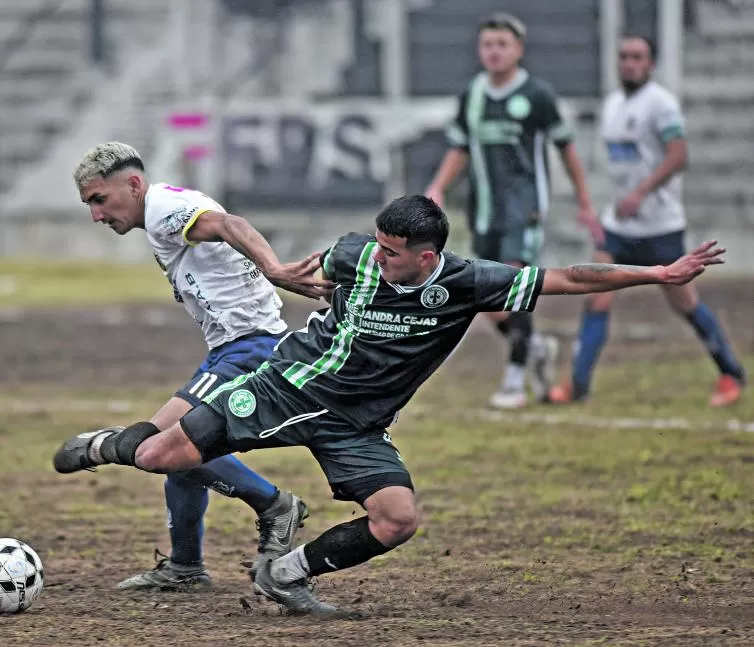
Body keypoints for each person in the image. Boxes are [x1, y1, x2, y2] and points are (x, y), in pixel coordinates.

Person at [53, 194, 725, 614]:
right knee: (157, 452)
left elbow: (570, 275)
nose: (376, 255)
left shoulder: (466, 282)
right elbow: (316, 271)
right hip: (289, 385)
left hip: (357, 423)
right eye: (375, 242)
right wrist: (306, 280)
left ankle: (284, 572)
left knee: (397, 517)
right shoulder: (356, 256)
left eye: (392, 250)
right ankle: (104, 445)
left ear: (427, 256)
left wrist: (658, 274)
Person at [67, 142, 332, 591]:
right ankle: (186, 566)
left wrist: (273, 270)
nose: (96, 215)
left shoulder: (163, 207)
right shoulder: (162, 209)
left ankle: (274, 505)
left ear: (132, 184)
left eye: (99, 199)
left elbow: (232, 224)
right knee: (177, 451)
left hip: (249, 348)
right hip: (232, 348)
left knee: (151, 444)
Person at [545, 35, 745, 407]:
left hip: (659, 226)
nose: (629, 63)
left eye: (637, 57)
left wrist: (641, 192)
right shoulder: (613, 105)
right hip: (618, 227)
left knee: (684, 303)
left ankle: (731, 374)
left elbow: (678, 155)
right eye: (623, 56)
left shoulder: (661, 104)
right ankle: (578, 385)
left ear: (650, 64)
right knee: (595, 298)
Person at [424, 12, 604, 409]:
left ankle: (514, 378)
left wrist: (585, 201)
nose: (494, 51)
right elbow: (460, 147)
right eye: (488, 44)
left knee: (513, 284)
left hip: (524, 209)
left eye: (502, 44)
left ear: (518, 50)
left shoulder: (536, 95)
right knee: (485, 297)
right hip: (483, 209)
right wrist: (437, 186)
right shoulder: (473, 93)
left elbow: (566, 147)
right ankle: (535, 345)